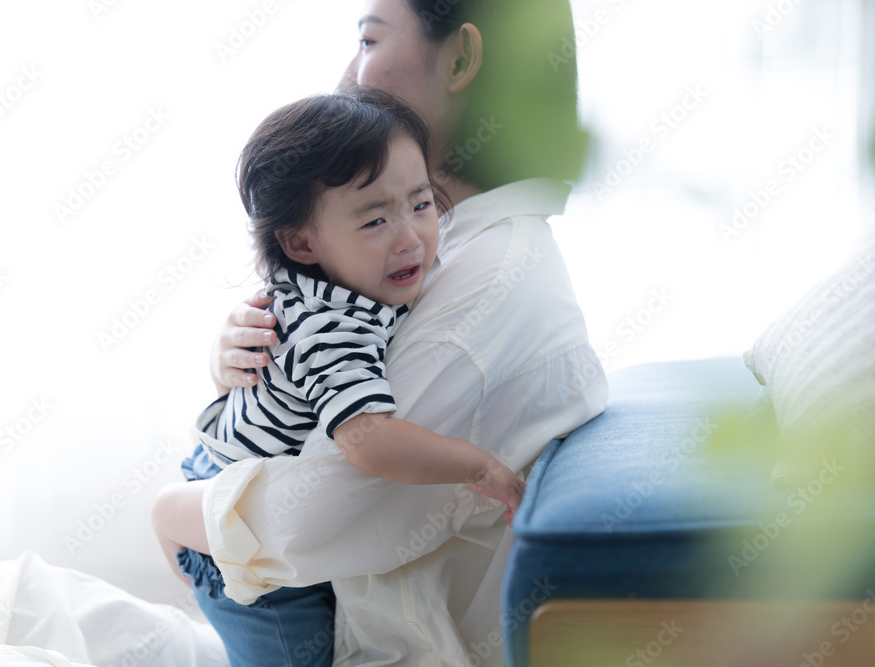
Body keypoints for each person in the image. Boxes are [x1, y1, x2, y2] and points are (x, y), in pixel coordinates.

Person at [182, 1, 608, 666]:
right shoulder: (442, 242)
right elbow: (321, 375)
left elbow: (304, 517)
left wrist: (167, 512)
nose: (348, 73)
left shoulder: (482, 281)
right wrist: (241, 357)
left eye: (368, 39)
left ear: (461, 58)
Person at [151, 88, 526, 667]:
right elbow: (367, 439)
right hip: (236, 540)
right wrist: (477, 466)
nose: (410, 237)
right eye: (375, 220)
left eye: (422, 204)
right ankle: (171, 514)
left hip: (242, 486)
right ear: (302, 243)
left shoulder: (353, 282)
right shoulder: (331, 326)